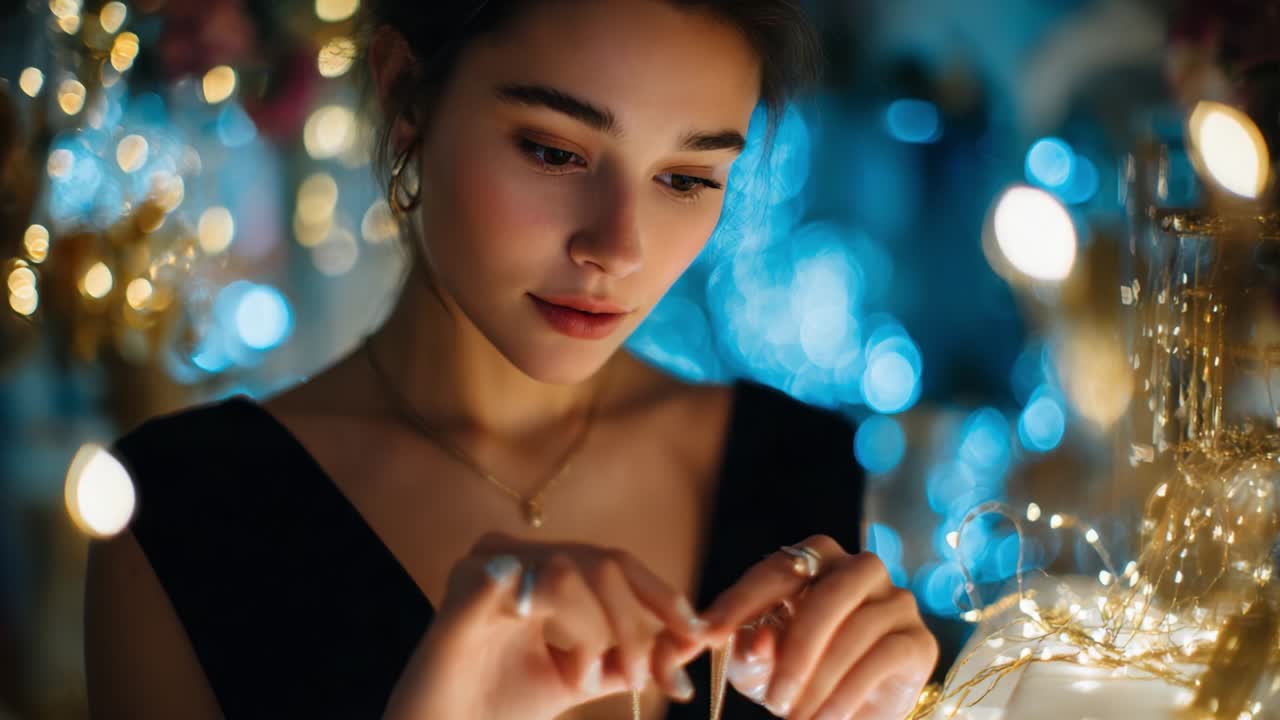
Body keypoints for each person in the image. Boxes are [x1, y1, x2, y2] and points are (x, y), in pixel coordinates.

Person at [83, 1, 938, 718]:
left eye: (685, 179)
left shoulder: (797, 471)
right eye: (556, 152)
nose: (620, 249)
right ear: (406, 96)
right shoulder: (186, 516)